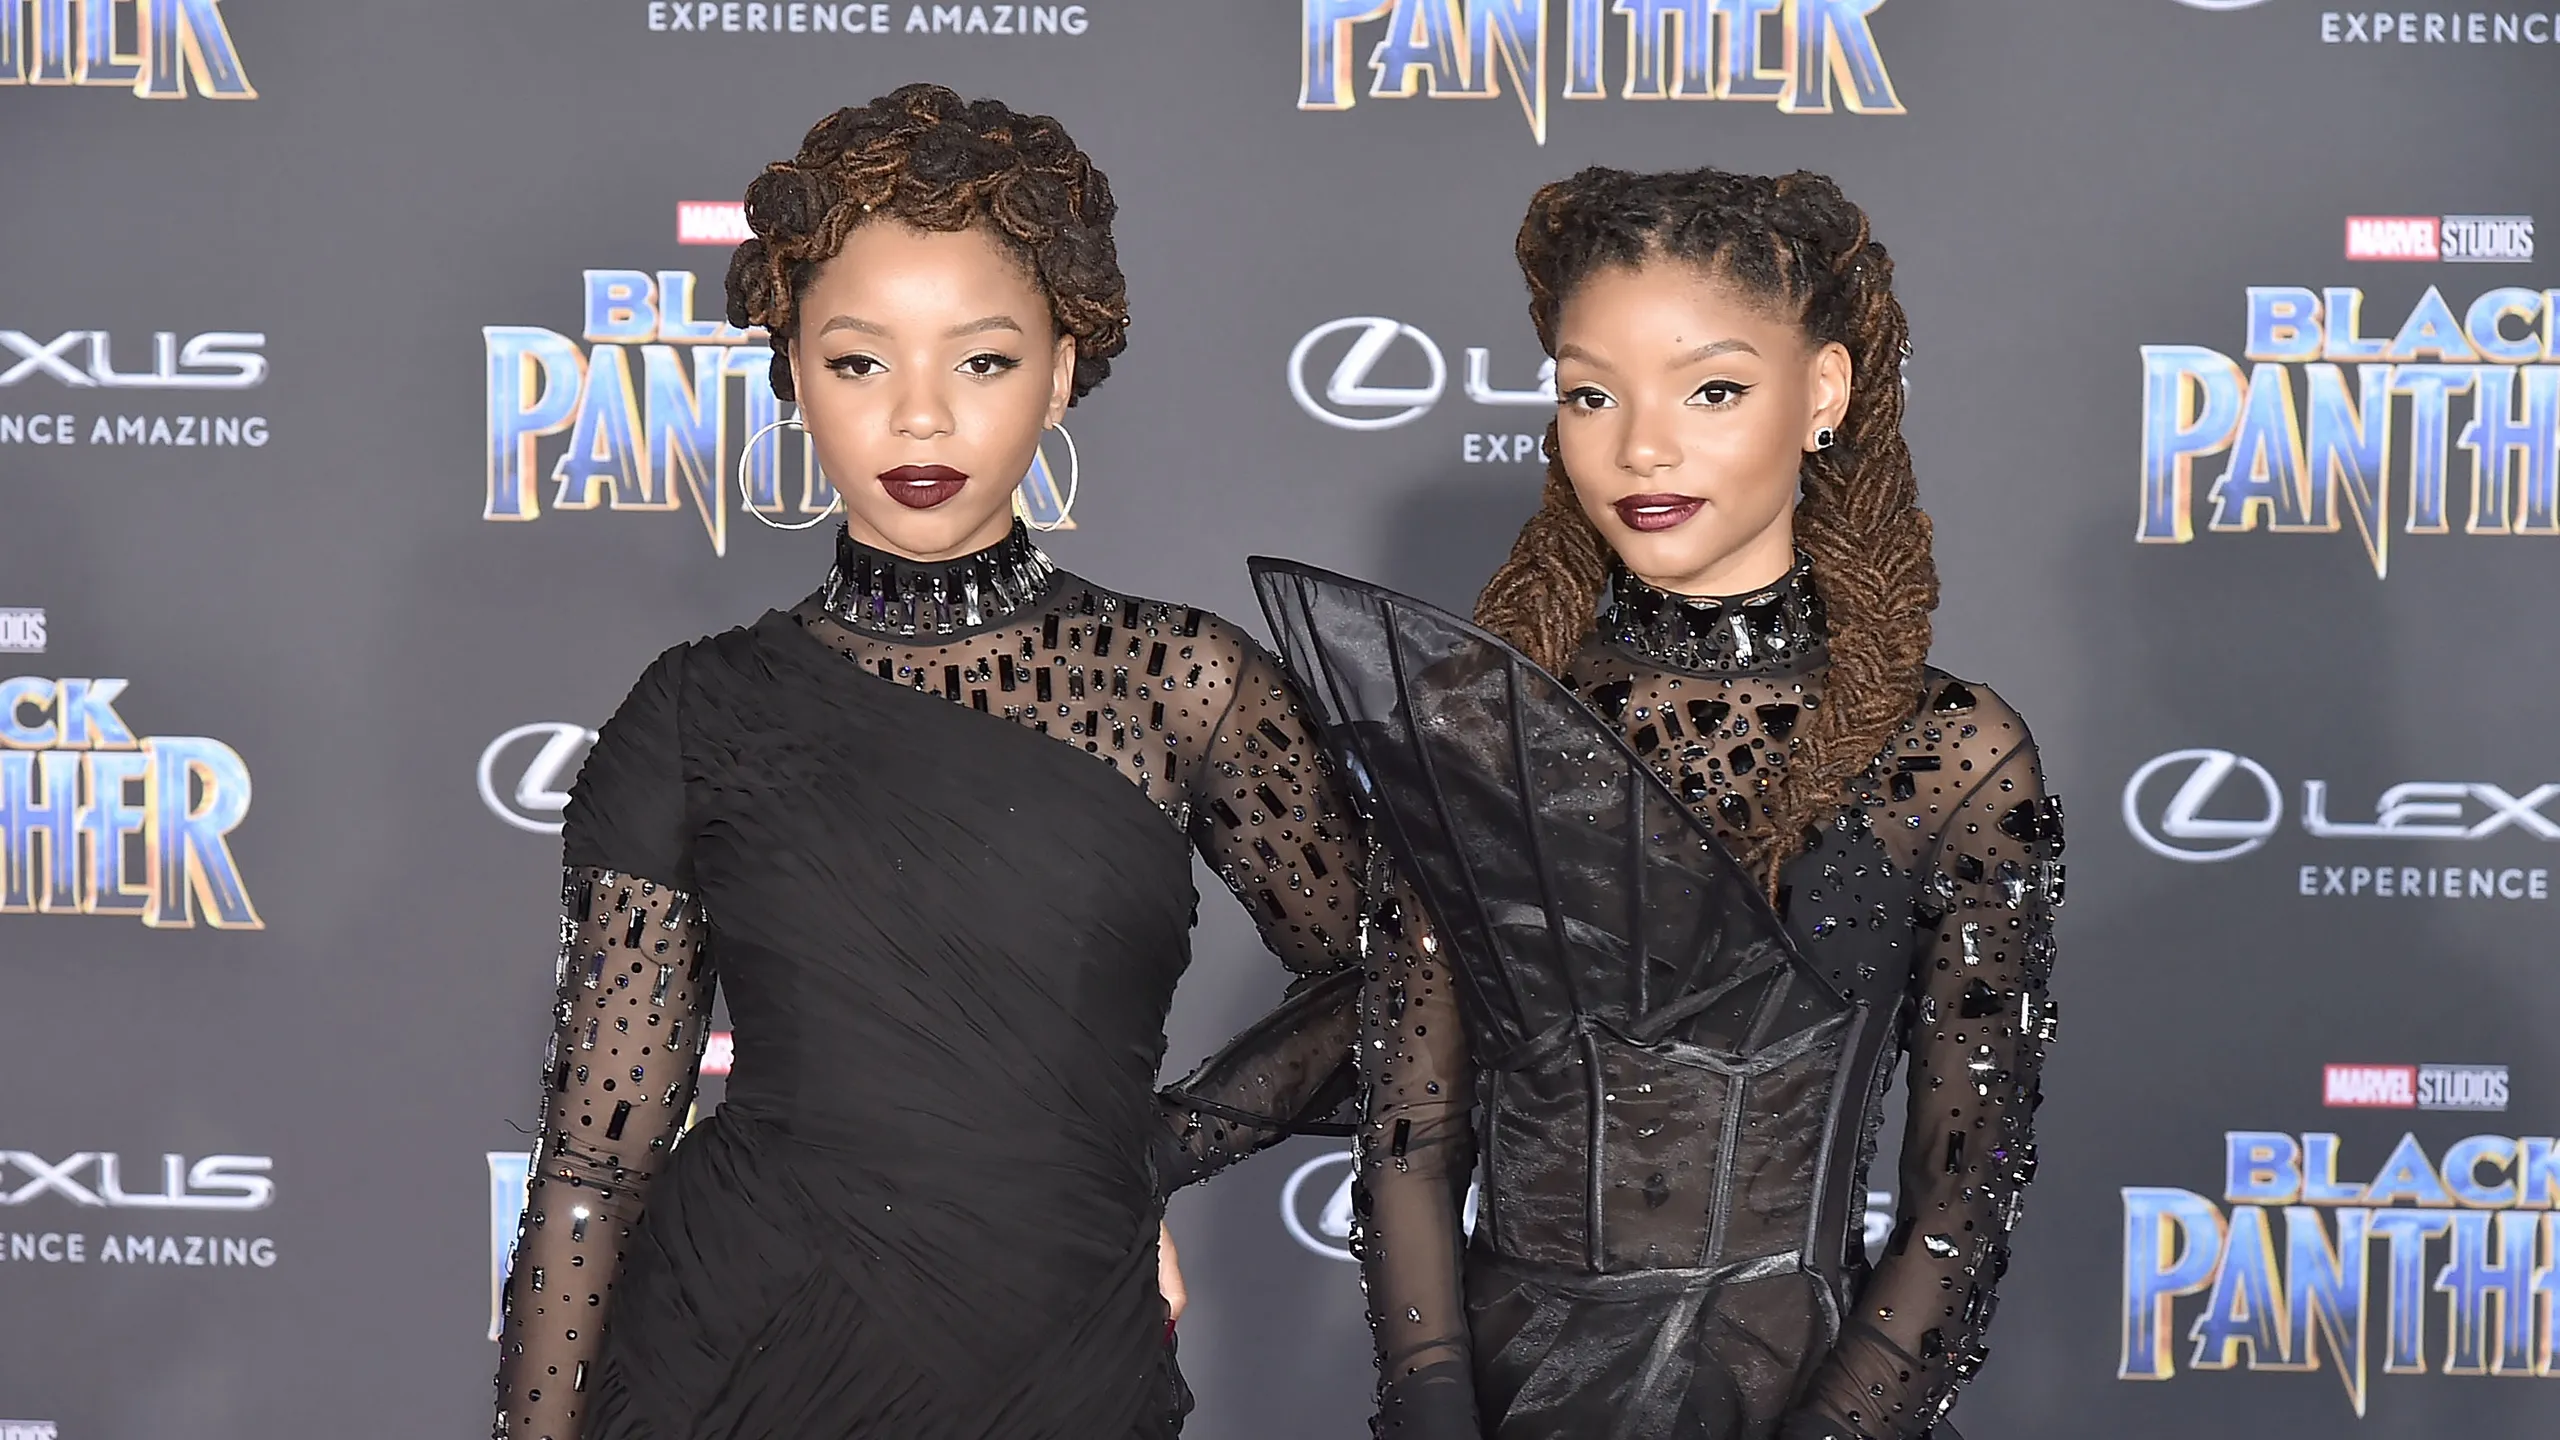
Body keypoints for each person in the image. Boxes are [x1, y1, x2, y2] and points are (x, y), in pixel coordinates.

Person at [491, 84, 1392, 1440]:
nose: (920, 419)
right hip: (728, 1354)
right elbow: (593, 1164)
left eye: (981, 361)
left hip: (1060, 1355)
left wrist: (1146, 1154)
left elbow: (1390, 973)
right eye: (860, 363)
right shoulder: (691, 710)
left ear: (1063, 369)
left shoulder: (1182, 685)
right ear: (794, 374)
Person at [1249, 166, 2066, 1439]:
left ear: (1825, 393)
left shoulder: (1949, 754)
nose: (1640, 447)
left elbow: (1965, 1193)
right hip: (1507, 1398)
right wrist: (1430, 1399)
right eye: (1590, 394)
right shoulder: (1474, 727)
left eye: (1712, 389)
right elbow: (1409, 1134)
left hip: (1813, 1400)